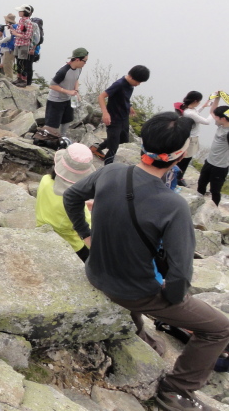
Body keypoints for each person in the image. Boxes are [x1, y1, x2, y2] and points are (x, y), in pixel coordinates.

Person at [64, 112, 229, 411]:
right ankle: (175, 391)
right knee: (220, 328)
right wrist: (174, 301)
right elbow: (180, 275)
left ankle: (141, 332)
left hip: (96, 271)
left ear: (143, 144)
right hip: (133, 291)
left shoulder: (110, 171)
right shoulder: (173, 205)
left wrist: (86, 234)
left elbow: (71, 197)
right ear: (179, 155)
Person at [35, 143, 94, 261]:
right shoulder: (74, 204)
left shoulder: (45, 180)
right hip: (71, 244)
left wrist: (86, 205)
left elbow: (58, 207)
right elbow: (86, 228)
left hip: (42, 227)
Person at [90, 65, 150, 165]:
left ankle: (97, 148)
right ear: (131, 77)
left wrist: (129, 106)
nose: (138, 84)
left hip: (124, 117)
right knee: (113, 148)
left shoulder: (130, 85)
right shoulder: (119, 84)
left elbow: (124, 98)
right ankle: (107, 168)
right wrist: (105, 113)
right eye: (138, 82)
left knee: (122, 140)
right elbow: (101, 96)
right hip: (113, 119)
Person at [43, 48, 88, 137]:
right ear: (77, 59)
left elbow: (76, 79)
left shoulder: (79, 68)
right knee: (53, 124)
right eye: (84, 61)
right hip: (56, 101)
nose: (85, 63)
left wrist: (76, 91)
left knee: (67, 120)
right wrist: (67, 91)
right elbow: (52, 85)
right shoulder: (63, 71)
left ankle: (62, 137)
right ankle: (47, 139)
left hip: (68, 99)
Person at [174, 91, 212, 186]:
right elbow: (206, 122)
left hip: (189, 137)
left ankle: (177, 176)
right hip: (191, 139)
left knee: (184, 159)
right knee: (185, 159)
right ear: (195, 101)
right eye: (199, 101)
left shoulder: (186, 108)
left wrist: (203, 106)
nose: (199, 103)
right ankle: (178, 178)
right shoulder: (189, 113)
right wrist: (213, 113)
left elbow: (195, 113)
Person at [197, 94, 229, 207]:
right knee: (201, 184)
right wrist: (217, 98)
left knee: (215, 191)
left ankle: (212, 211)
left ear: (223, 118)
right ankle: (197, 205)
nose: (214, 117)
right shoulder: (221, 125)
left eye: (217, 117)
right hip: (209, 162)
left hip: (220, 167)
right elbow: (213, 112)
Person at [10, 5, 34, 87]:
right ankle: (19, 78)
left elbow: (28, 36)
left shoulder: (29, 22)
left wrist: (16, 34)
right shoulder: (20, 21)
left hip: (24, 45)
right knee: (18, 62)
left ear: (24, 12)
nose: (19, 12)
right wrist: (13, 31)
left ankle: (24, 80)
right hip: (18, 43)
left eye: (20, 11)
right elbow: (19, 31)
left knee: (22, 62)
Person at [0, 13, 16, 78]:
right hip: (12, 49)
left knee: (7, 67)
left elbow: (8, 37)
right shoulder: (14, 27)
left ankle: (9, 82)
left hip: (8, 50)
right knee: (8, 66)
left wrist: (0, 41)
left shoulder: (9, 28)